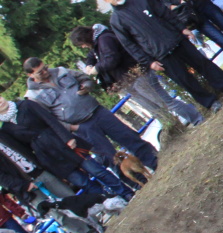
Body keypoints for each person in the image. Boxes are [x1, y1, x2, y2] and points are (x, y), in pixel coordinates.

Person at [100, 0, 223, 112]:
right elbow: (130, 45)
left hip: (176, 39)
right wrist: (149, 62)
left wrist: (182, 28)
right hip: (160, 55)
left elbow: (165, 13)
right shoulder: (116, 21)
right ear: (107, 0)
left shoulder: (140, 0)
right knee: (185, 80)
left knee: (203, 63)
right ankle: (210, 102)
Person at [23, 58, 159, 172]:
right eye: (40, 72)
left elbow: (85, 78)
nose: (45, 71)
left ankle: (154, 160)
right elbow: (48, 120)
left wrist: (87, 86)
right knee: (109, 156)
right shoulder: (33, 96)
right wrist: (72, 128)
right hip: (81, 126)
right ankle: (137, 181)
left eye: (45, 67)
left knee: (128, 136)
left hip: (97, 111)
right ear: (30, 75)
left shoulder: (61, 71)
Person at [69, 24, 204, 127]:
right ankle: (186, 121)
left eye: (82, 44)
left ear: (85, 39)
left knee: (166, 102)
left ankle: (196, 118)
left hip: (138, 76)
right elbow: (92, 55)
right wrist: (89, 64)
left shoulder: (105, 39)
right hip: (130, 78)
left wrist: (96, 69)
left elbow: (111, 59)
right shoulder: (99, 42)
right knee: (158, 106)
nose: (83, 47)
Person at [0, 96, 124, 198]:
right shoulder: (5, 129)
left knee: (97, 170)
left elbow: (51, 120)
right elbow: (24, 150)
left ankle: (125, 193)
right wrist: (41, 164)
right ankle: (107, 200)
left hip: (60, 141)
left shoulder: (26, 105)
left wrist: (67, 138)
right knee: (83, 182)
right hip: (47, 156)